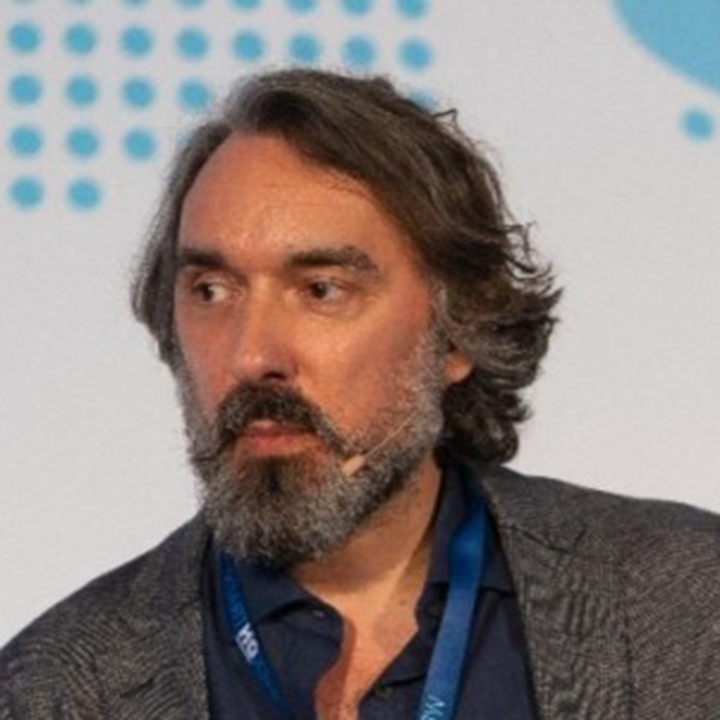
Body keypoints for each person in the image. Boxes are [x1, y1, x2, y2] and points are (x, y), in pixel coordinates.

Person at [1, 68, 719, 720]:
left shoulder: (689, 606)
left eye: (321, 290)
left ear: (457, 330)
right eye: (211, 291)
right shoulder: (52, 690)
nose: (251, 356)